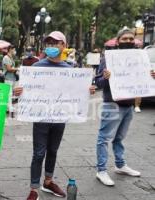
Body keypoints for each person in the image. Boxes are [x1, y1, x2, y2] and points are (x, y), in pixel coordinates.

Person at [25, 31, 95, 200]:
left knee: (53, 150)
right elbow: (26, 91)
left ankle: (48, 182)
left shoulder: (69, 69)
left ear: (64, 46)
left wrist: (87, 90)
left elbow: (75, 92)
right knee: (39, 153)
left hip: (59, 118)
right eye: (48, 44)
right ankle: (34, 190)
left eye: (56, 43)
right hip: (41, 118)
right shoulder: (36, 68)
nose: (51, 47)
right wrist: (19, 90)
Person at [95, 28, 155, 186]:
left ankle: (120, 165)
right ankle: (101, 170)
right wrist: (105, 78)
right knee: (104, 138)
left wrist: (151, 77)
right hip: (112, 104)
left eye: (131, 39)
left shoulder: (140, 58)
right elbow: (98, 83)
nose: (128, 41)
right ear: (117, 41)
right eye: (125, 39)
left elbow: (143, 79)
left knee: (119, 138)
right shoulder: (108, 58)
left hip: (128, 104)